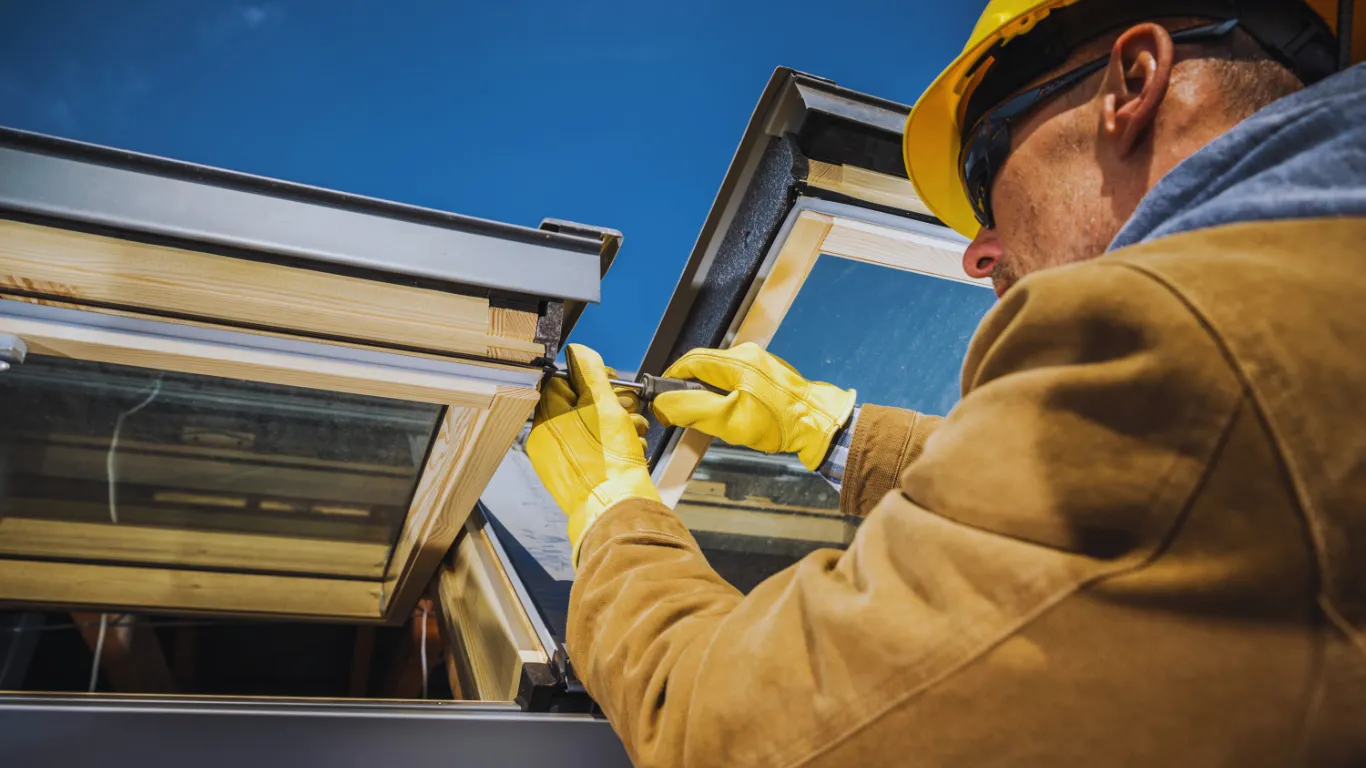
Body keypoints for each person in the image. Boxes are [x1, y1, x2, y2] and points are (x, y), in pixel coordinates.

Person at [527, 0, 1366, 764]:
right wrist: (831, 431)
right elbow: (1123, 503)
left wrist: (614, 515)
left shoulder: (1187, 338)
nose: (977, 251)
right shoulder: (1307, 299)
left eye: (984, 171)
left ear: (1134, 84)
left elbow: (740, 730)